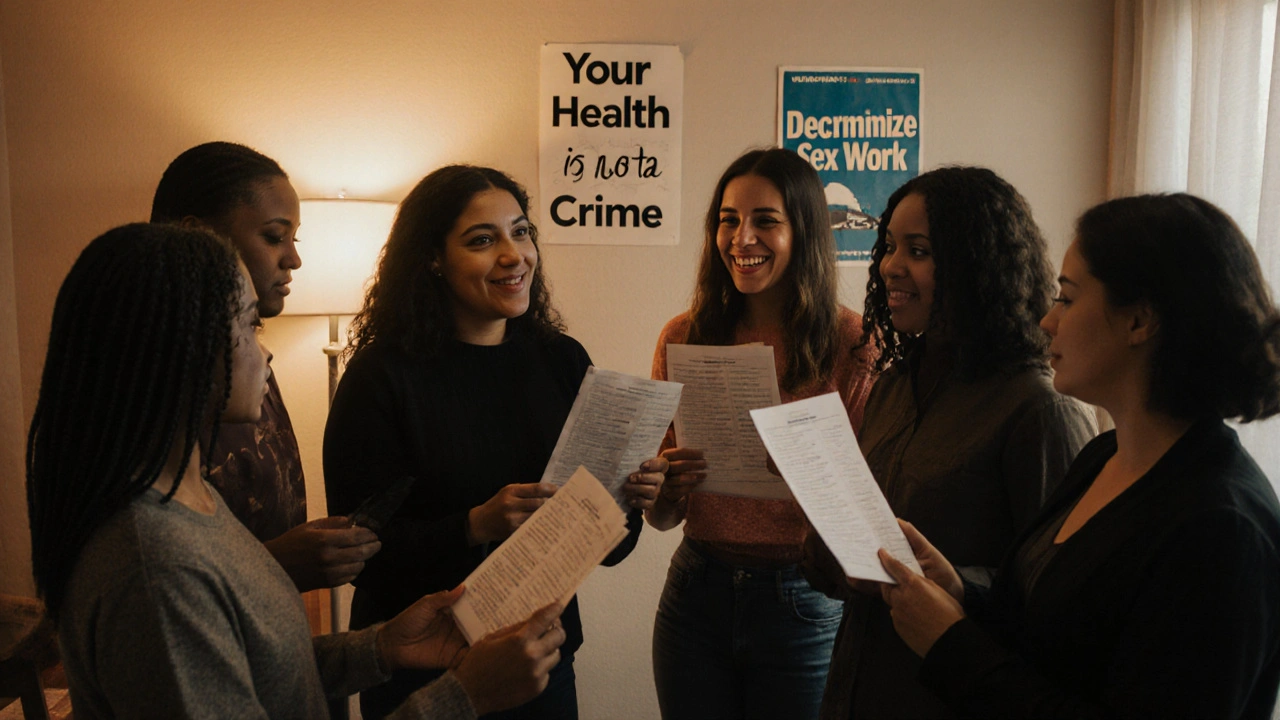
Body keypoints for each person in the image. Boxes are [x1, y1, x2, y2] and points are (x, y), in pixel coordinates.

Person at [27, 223, 569, 719]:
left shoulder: (188, 501)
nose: (265, 354)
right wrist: (465, 696)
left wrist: (380, 647)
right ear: (178, 352)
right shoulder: (157, 570)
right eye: (249, 324)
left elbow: (256, 661)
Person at [877, 193, 1280, 718]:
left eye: (1067, 298)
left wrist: (951, 643)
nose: (1047, 321)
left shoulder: (1221, 529)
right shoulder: (1104, 455)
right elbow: (1050, 627)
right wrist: (957, 589)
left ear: (1140, 321)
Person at [323, 165, 654, 719]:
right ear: (432, 258)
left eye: (521, 232)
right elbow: (359, 555)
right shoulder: (382, 376)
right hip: (421, 676)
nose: (513, 254)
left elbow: (614, 549)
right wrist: (474, 525)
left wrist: (631, 497)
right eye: (483, 240)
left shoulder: (562, 361)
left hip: (539, 664)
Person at [808, 166, 1097, 718]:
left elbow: (1057, 594)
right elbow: (843, 569)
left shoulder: (1038, 408)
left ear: (975, 267)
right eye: (889, 246)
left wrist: (952, 585)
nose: (891, 266)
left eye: (917, 250)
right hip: (855, 689)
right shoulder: (892, 386)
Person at [639, 148, 877, 719]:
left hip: (803, 600)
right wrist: (667, 487)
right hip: (697, 589)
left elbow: (869, 517)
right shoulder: (684, 335)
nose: (741, 238)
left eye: (765, 220)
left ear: (805, 232)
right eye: (727, 220)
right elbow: (663, 516)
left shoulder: (853, 344)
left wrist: (809, 471)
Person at [151, 141, 379, 592]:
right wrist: (275, 563)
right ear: (196, 236)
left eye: (295, 239)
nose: (294, 259)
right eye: (275, 237)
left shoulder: (243, 367)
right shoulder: (150, 392)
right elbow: (159, 578)